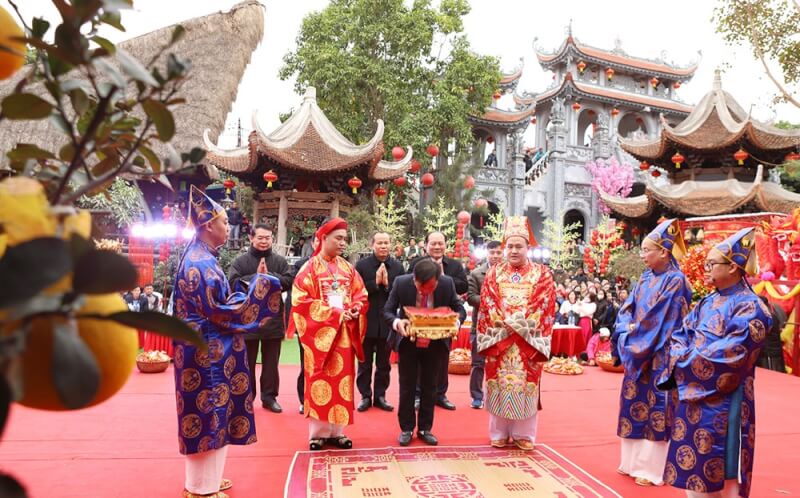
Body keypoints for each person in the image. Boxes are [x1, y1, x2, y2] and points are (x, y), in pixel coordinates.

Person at [172, 186, 281, 498]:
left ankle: (205, 482)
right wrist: (264, 284)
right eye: (223, 222)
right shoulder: (202, 263)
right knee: (208, 415)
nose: (227, 227)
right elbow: (222, 310)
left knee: (213, 415)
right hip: (207, 356)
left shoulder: (199, 255)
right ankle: (201, 489)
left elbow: (216, 303)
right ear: (208, 226)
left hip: (205, 350)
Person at [657, 228, 771, 498]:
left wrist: (684, 362)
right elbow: (680, 335)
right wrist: (684, 357)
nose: (705, 269)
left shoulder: (751, 307)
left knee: (724, 473)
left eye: (711, 264)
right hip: (693, 394)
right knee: (694, 473)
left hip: (724, 399)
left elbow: (730, 355)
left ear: (733, 267)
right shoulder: (707, 301)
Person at [611, 219, 692, 487]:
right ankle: (631, 462)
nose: (643, 255)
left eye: (647, 250)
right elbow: (626, 309)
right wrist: (625, 330)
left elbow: (660, 320)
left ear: (664, 252)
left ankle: (651, 469)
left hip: (660, 354)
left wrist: (633, 337)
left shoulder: (676, 280)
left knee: (657, 408)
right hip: (638, 349)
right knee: (633, 404)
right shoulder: (645, 278)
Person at [287, 217, 369, 451]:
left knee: (342, 380)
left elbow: (360, 294)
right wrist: (334, 314)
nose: (343, 243)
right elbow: (300, 301)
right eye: (338, 238)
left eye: (344, 239)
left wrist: (354, 309)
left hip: (343, 335)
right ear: (323, 238)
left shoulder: (347, 268)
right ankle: (318, 433)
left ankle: (337, 431)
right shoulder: (309, 269)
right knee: (320, 380)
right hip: (320, 338)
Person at [477, 216, 555, 451]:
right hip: (499, 339)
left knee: (525, 385)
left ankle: (524, 434)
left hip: (526, 342)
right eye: (509, 246)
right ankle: (499, 432)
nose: (513, 250)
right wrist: (505, 322)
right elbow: (488, 302)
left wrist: (518, 324)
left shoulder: (542, 274)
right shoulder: (494, 273)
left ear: (527, 247)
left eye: (518, 246)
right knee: (499, 383)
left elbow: (544, 303)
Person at [383, 259, 466, 446]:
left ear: (438, 280)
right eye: (421, 288)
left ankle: (425, 428)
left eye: (430, 288)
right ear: (414, 279)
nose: (425, 292)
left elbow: (460, 308)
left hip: (435, 343)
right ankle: (406, 428)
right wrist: (398, 323)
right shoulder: (401, 283)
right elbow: (387, 311)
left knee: (430, 387)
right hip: (408, 342)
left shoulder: (447, 283)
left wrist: (455, 322)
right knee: (407, 387)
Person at [228, 224, 294, 413]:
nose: (264, 241)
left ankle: (269, 397)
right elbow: (233, 283)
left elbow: (289, 281)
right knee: (246, 362)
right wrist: (257, 277)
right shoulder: (240, 261)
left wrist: (269, 277)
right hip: (247, 320)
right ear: (251, 238)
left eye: (268, 238)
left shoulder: (280, 261)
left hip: (272, 320)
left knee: (271, 363)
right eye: (260, 238)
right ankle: (248, 398)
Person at [407, 231, 468, 410]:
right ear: (425, 245)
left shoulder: (454, 266)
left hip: (445, 321)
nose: (436, 247)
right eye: (433, 243)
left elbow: (463, 285)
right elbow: (406, 284)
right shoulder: (416, 263)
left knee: (442, 358)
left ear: (445, 245)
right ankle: (418, 395)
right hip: (421, 319)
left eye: (440, 243)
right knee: (420, 360)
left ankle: (440, 394)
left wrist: (443, 280)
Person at [354, 232, 404, 412]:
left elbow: (403, 293)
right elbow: (354, 291)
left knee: (384, 364)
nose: (383, 246)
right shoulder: (361, 266)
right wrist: (375, 284)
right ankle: (365, 396)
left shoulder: (398, 267)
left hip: (387, 323)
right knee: (364, 363)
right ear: (372, 245)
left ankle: (380, 396)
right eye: (379, 243)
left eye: (386, 243)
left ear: (390, 245)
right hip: (366, 321)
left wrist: (388, 284)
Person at [466, 240, 503, 409]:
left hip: (503, 327)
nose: (495, 256)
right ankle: (476, 396)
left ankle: (498, 395)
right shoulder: (476, 273)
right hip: (480, 326)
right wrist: (491, 302)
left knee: (501, 363)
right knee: (478, 363)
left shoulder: (510, 273)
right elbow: (471, 297)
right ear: (487, 253)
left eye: (498, 252)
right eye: (492, 252)